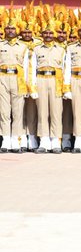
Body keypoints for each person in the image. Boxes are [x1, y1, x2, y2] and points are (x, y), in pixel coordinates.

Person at [31, 26, 65, 153]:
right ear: (42, 34)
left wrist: (65, 86)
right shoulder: (36, 49)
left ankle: (55, 141)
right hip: (41, 79)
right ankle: (44, 141)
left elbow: (65, 69)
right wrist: (33, 86)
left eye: (51, 32)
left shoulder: (61, 50)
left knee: (56, 111)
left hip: (56, 80)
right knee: (42, 111)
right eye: (46, 33)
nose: (49, 35)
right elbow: (32, 68)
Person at [0, 22, 30, 152]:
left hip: (18, 79)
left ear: (17, 30)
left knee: (18, 112)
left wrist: (29, 86)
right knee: (4, 111)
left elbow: (27, 67)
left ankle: (15, 140)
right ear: (5, 30)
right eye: (8, 28)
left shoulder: (23, 47)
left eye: (13, 28)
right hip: (2, 79)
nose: (10, 30)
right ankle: (6, 140)